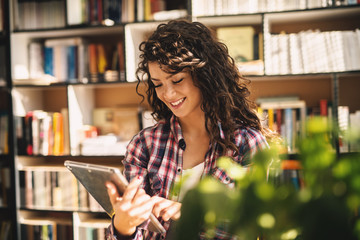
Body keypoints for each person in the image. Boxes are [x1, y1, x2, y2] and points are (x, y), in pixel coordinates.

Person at [105, 19, 269, 240]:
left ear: (204, 75)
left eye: (177, 80)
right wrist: (123, 227)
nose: (168, 94)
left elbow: (259, 222)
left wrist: (191, 213)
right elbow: (133, 230)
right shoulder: (145, 144)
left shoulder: (247, 144)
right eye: (158, 84)